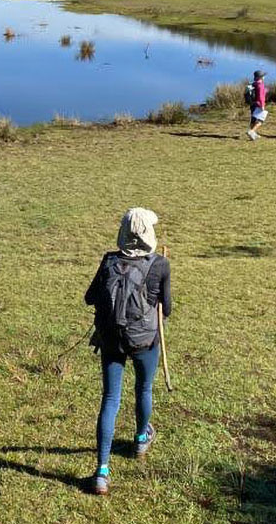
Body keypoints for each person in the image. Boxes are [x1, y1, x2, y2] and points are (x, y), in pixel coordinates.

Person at [83, 208, 172, 495]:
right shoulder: (159, 265)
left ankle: (102, 472)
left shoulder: (109, 261)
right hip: (145, 339)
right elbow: (166, 309)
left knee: (110, 398)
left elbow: (89, 298)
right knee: (143, 389)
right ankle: (141, 437)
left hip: (111, 339)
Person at [245, 69, 268, 141]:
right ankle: (251, 131)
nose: (264, 77)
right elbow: (260, 97)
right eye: (263, 76)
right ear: (261, 77)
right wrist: (262, 106)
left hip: (253, 104)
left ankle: (253, 134)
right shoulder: (260, 85)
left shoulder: (253, 84)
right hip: (258, 104)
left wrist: (266, 90)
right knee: (261, 120)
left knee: (253, 119)